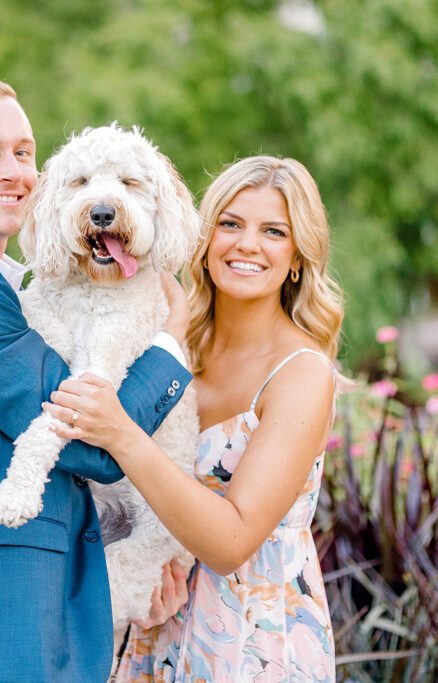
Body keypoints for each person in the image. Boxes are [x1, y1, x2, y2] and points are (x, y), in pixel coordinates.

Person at [0, 76, 193, 683]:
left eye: (23, 152)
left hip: (26, 614)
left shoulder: (3, 280)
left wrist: (133, 581)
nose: (14, 171)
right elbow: (91, 444)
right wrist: (172, 339)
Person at [46, 156, 345, 681]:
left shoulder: (301, 373)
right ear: (203, 239)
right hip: (152, 632)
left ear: (297, 256)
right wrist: (134, 586)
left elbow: (230, 544)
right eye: (230, 224)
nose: (247, 244)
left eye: (273, 231)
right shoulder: (168, 343)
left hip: (251, 645)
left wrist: (122, 432)